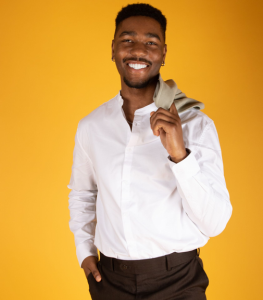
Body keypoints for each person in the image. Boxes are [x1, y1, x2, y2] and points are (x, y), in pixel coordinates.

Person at [67, 3, 232, 299]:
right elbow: (83, 193)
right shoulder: (91, 126)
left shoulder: (195, 124)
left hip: (178, 282)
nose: (138, 50)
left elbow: (215, 222)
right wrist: (84, 251)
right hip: (110, 282)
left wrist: (180, 155)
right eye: (128, 40)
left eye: (151, 42)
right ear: (114, 48)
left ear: (164, 53)